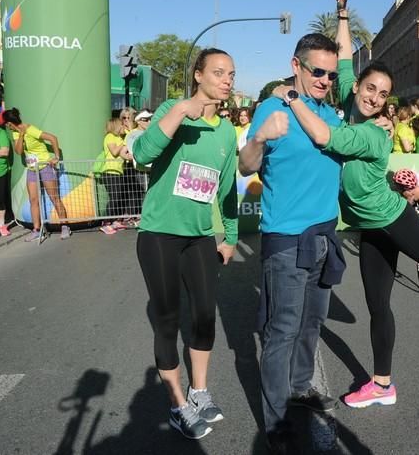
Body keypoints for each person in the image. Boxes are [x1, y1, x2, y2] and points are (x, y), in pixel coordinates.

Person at [267, 58, 419, 410]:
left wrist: (291, 96)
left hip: (391, 219)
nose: (375, 97)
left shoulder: (371, 132)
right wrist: (342, 12)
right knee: (378, 306)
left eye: (383, 94)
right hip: (371, 228)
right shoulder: (352, 109)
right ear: (355, 87)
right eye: (370, 88)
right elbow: (343, 62)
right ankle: (382, 385)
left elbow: (323, 136)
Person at [239, 32, 345, 452]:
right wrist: (260, 137)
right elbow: (247, 165)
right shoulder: (272, 107)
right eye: (316, 70)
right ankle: (276, 420)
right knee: (281, 331)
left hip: (324, 235)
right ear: (296, 65)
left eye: (330, 74)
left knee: (312, 322)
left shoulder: (327, 113)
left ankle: (301, 388)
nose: (324, 80)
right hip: (285, 239)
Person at [132, 48, 238, 440]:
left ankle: (200, 391)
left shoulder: (227, 131)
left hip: (199, 238)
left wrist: (231, 235)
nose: (227, 79)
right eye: (218, 72)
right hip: (159, 234)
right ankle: (178, 405)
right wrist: (180, 112)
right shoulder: (171, 111)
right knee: (167, 321)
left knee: (205, 317)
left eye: (231, 73)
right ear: (197, 75)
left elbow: (227, 190)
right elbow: (142, 154)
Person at [2, 108, 71, 241]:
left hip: (45, 166)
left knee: (54, 197)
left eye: (6, 123)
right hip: (32, 169)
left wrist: (56, 157)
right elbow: (18, 151)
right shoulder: (16, 134)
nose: (6, 126)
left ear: (10, 123)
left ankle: (64, 226)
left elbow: (52, 138)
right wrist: (21, 135)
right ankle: (37, 229)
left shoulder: (30, 129)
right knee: (33, 199)